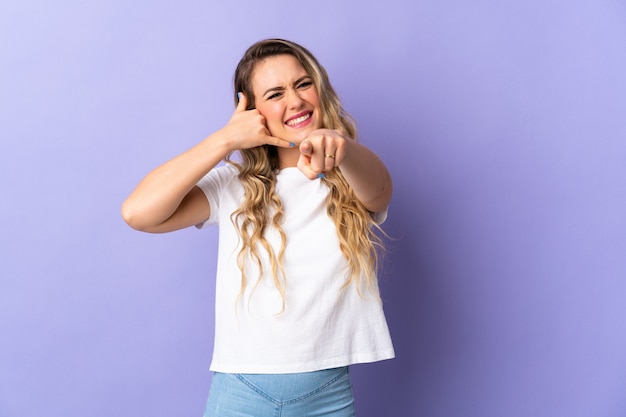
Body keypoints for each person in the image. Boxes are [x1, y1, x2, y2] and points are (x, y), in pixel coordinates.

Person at [121, 38, 394, 417]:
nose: (295, 101)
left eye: (303, 84)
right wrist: (225, 139)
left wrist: (341, 147)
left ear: (320, 90)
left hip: (327, 395)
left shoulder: (350, 173)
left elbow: (380, 191)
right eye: (275, 93)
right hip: (242, 393)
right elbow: (138, 213)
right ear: (252, 110)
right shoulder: (233, 185)